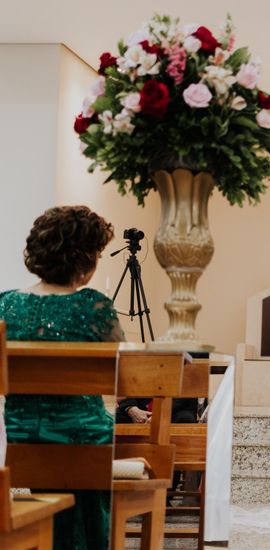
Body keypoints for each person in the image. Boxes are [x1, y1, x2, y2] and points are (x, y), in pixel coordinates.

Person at [0, 205, 122, 550]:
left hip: (21, 440)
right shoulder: (94, 307)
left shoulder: (4, 305)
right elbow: (123, 372)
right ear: (86, 259)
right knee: (94, 430)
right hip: (84, 443)